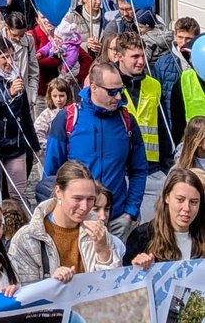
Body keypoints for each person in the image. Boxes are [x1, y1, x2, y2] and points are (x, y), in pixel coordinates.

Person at [43, 61, 147, 238]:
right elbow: (51, 173)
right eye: (112, 91)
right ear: (94, 88)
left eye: (120, 90)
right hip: (76, 220)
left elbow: (139, 170)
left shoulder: (127, 121)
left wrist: (130, 212)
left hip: (116, 219)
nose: (118, 97)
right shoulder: (67, 118)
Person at [9, 160, 121, 284]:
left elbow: (113, 285)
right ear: (58, 192)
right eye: (77, 198)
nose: (84, 207)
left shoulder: (98, 231)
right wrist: (51, 283)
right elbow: (24, 291)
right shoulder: (27, 238)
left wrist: (103, 251)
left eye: (90, 199)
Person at [114, 30, 172, 223]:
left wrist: (166, 166)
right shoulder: (109, 85)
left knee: (150, 228)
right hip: (121, 169)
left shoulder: (154, 85)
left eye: (142, 56)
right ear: (120, 56)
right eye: (135, 57)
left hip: (151, 169)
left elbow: (163, 128)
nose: (141, 61)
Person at [0, 34, 38, 207]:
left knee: (18, 193)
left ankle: (21, 220)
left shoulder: (17, 78)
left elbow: (25, 114)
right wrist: (9, 93)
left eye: (12, 56)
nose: (9, 61)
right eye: (4, 57)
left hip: (16, 143)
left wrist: (34, 145)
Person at [124, 168, 205, 266]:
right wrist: (136, 268)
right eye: (180, 200)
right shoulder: (142, 237)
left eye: (194, 202)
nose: (186, 208)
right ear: (167, 197)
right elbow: (126, 273)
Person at [0, 12, 39, 105]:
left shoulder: (28, 39)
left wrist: (32, 96)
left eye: (22, 35)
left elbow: (34, 72)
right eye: (15, 35)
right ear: (7, 27)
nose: (18, 39)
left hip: (23, 98)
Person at [154, 16, 200, 132]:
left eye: (188, 39)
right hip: (172, 126)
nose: (183, 42)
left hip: (197, 125)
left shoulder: (200, 62)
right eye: (180, 37)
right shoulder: (162, 64)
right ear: (175, 36)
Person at [35, 78, 75, 155]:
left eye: (61, 96)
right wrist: (51, 147)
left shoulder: (74, 112)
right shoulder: (46, 115)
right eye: (55, 96)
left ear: (68, 95)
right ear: (50, 97)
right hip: (53, 153)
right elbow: (37, 134)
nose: (58, 99)